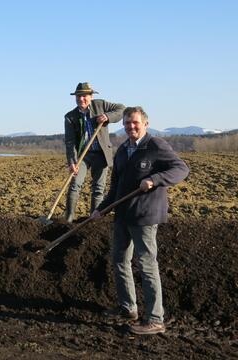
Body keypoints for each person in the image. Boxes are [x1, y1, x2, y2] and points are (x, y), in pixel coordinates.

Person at [91, 107, 189, 335]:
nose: (130, 127)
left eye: (134, 123)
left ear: (145, 123)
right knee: (119, 260)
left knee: (146, 265)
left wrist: (155, 179)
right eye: (126, 124)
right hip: (122, 215)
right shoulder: (123, 150)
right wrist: (101, 209)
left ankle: (155, 318)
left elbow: (182, 169)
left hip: (144, 216)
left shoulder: (155, 145)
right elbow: (115, 187)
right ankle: (128, 308)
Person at [64, 82, 125, 223]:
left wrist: (108, 116)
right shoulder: (70, 117)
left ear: (91, 96)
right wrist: (72, 161)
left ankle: (93, 220)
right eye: (78, 96)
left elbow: (122, 109)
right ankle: (68, 220)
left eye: (84, 96)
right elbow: (70, 142)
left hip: (101, 154)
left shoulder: (100, 105)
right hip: (82, 156)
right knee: (74, 185)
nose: (81, 99)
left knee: (98, 188)